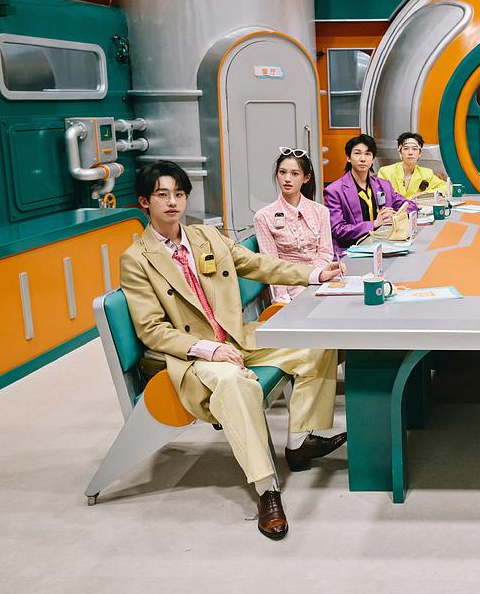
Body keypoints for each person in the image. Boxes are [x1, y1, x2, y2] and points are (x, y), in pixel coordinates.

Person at [119, 161, 346, 540]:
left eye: (179, 194)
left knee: (315, 342)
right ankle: (266, 489)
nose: (172, 202)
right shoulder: (137, 259)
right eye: (162, 195)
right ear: (145, 202)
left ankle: (298, 443)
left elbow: (256, 264)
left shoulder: (206, 237)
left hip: (235, 337)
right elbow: (152, 330)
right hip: (191, 355)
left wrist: (312, 274)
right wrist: (209, 350)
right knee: (237, 384)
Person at [253, 147, 333, 303]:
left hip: (321, 280)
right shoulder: (263, 217)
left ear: (306, 178)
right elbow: (271, 266)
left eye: (295, 174)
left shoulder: (321, 211)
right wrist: (283, 299)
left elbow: (325, 253)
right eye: (282, 172)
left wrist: (314, 277)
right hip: (290, 288)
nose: (287, 179)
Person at [325, 133, 418, 252]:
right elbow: (337, 230)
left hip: (385, 244)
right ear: (348, 158)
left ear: (373, 159)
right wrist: (374, 224)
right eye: (357, 153)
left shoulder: (384, 185)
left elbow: (411, 206)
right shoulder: (334, 191)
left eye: (368, 154)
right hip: (352, 250)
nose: (363, 159)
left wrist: (395, 216)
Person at [377, 131, 450, 200]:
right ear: (400, 152)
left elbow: (447, 187)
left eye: (414, 149)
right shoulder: (385, 172)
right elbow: (381, 196)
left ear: (420, 153)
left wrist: (424, 194)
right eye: (406, 149)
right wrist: (410, 199)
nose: (410, 153)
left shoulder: (427, 173)